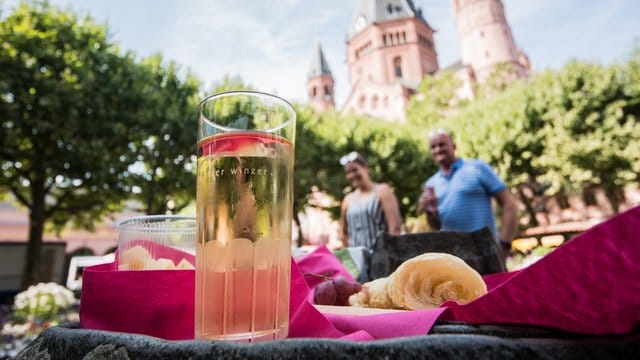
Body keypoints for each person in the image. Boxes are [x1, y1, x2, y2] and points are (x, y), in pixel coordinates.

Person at [418, 130, 517, 252]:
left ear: (453, 146)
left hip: (486, 250)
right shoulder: (431, 184)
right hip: (453, 255)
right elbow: (436, 227)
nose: (438, 149)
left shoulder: (477, 168)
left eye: (442, 144)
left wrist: (504, 243)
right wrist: (429, 212)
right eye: (433, 147)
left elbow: (508, 203)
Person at [339, 152, 402, 251]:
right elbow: (343, 233)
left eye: (355, 170)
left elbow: (395, 228)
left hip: (381, 257)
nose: (352, 175)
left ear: (365, 168)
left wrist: (388, 255)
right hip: (356, 261)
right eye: (348, 172)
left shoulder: (383, 191)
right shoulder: (348, 199)